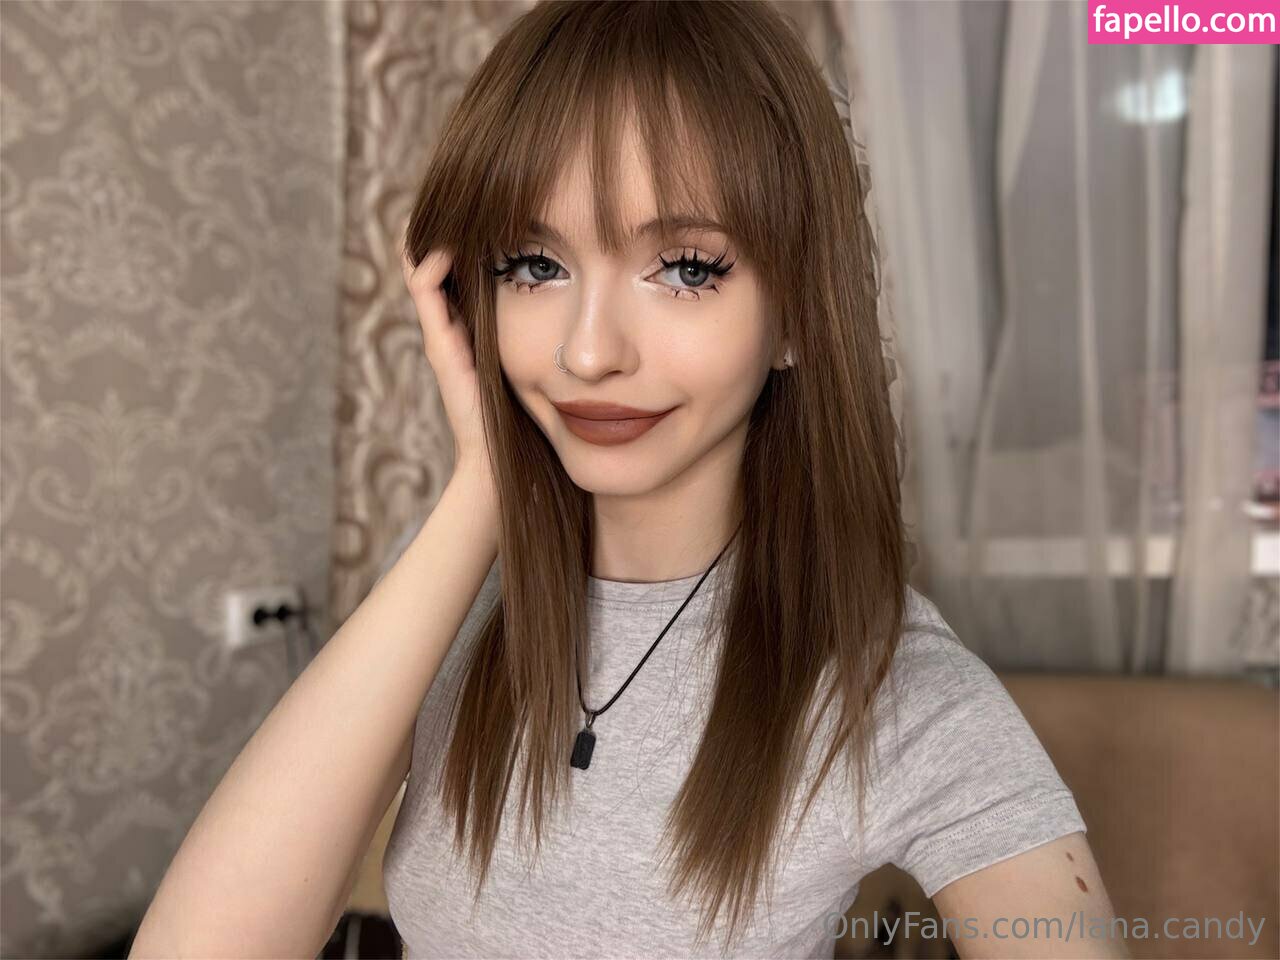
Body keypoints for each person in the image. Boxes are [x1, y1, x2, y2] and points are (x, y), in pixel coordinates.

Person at [131, 2, 1129, 958]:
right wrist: (482, 485)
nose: (589, 352)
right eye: (533, 265)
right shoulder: (449, 595)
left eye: (685, 268)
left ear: (797, 313)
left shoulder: (888, 684)